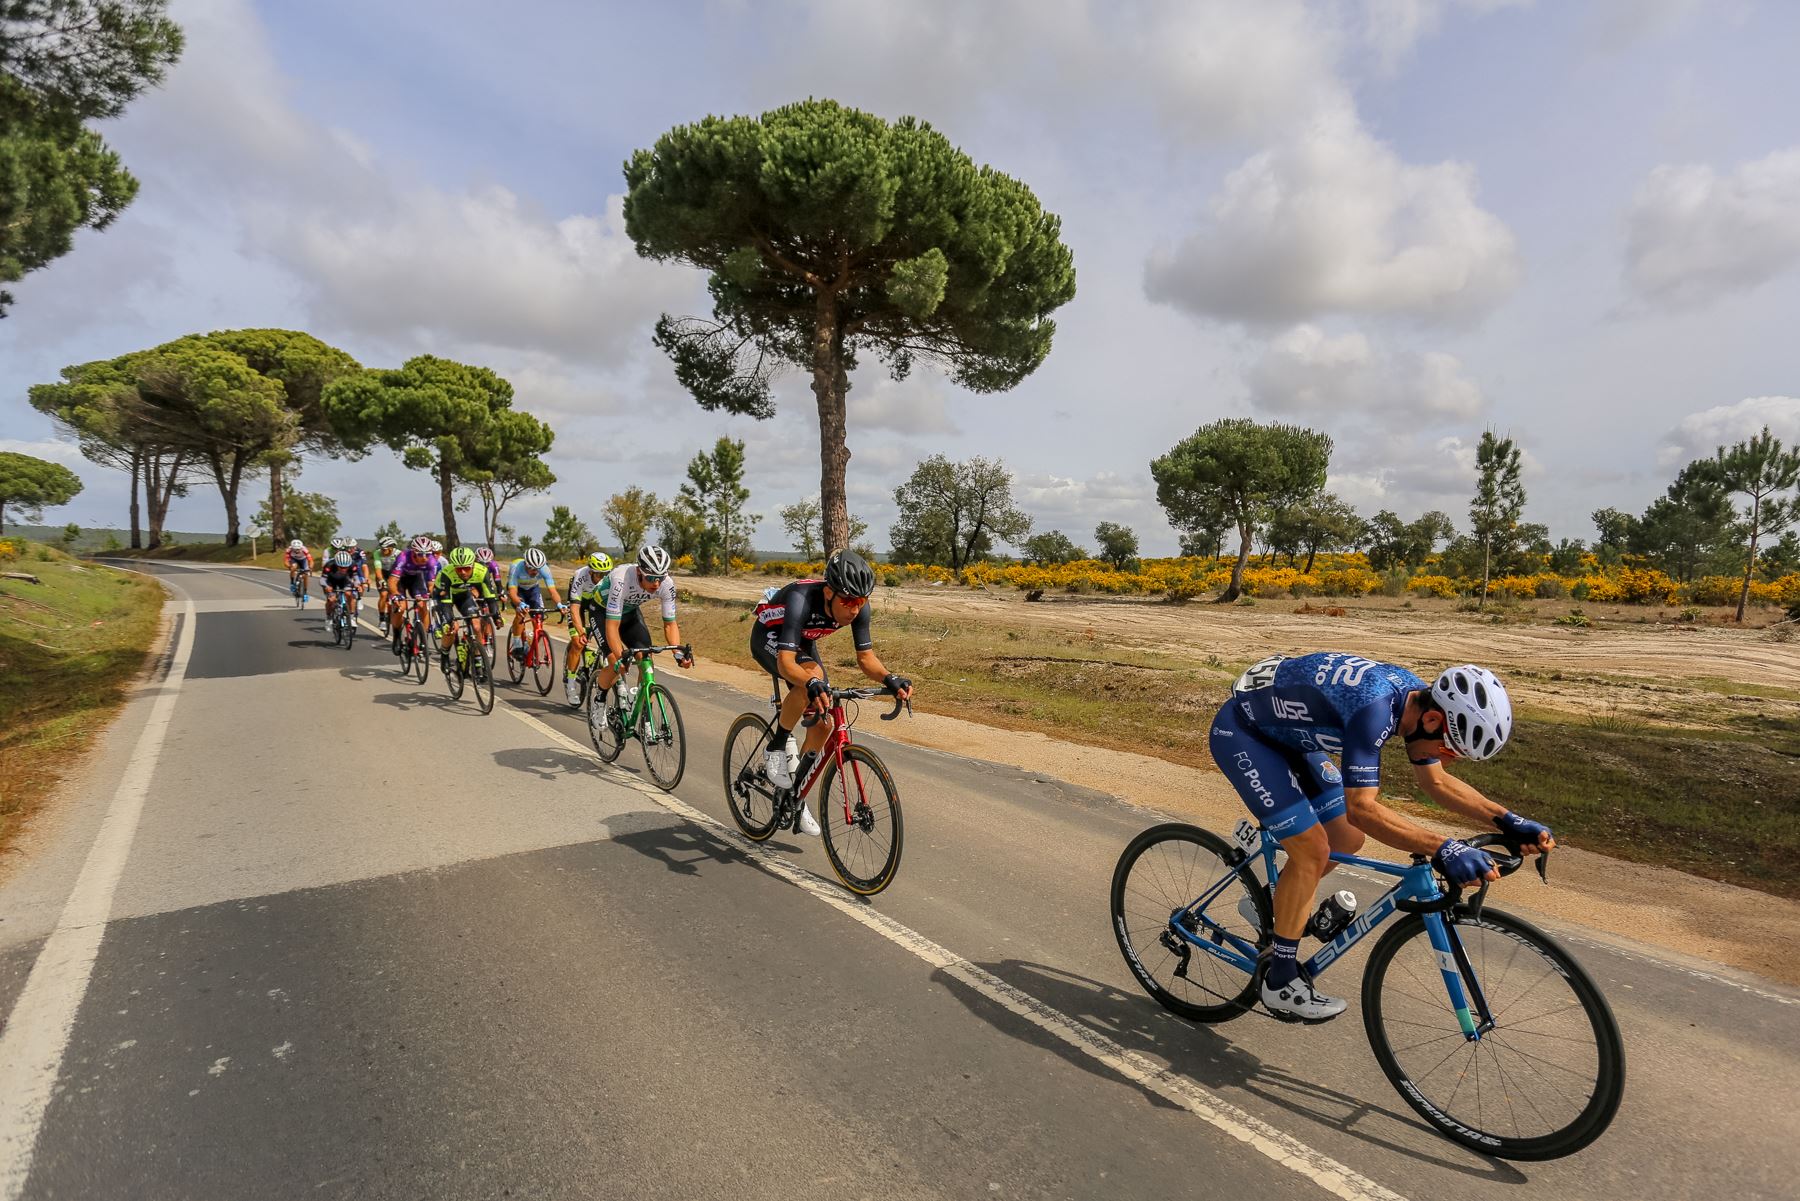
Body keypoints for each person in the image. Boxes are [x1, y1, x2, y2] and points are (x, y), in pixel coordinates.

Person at [1210, 653, 1553, 1023]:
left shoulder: (1414, 705)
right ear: (1433, 719)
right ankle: (1279, 984)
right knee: (1312, 849)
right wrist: (1441, 846)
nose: (1447, 762)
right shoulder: (1374, 709)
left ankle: (1274, 907)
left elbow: (1434, 783)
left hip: (1291, 736)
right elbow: (1363, 807)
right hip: (1245, 733)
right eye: (1450, 751)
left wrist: (1507, 820)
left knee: (1347, 837)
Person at [751, 549, 911, 837]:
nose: (854, 609)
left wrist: (890, 679)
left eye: (860, 601)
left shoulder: (859, 607)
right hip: (770, 636)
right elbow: (786, 663)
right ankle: (776, 745)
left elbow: (866, 659)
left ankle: (795, 792)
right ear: (828, 593)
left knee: (825, 722)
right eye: (848, 601)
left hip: (803, 640)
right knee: (810, 682)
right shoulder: (801, 598)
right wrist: (810, 683)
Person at [587, 545, 693, 710]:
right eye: (651, 578)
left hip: (629, 612)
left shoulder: (667, 585)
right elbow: (612, 626)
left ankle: (644, 713)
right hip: (602, 612)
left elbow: (670, 623)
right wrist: (620, 656)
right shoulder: (621, 579)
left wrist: (678, 653)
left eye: (661, 578)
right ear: (639, 572)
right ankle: (599, 702)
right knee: (616, 663)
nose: (656, 584)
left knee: (646, 659)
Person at [563, 551, 615, 704]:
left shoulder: (610, 579)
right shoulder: (581, 575)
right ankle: (571, 684)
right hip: (579, 604)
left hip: (597, 605)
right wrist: (580, 631)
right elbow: (574, 608)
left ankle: (591, 663)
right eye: (599, 574)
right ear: (591, 571)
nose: (602, 578)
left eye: (606, 573)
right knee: (578, 642)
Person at [428, 546, 498, 659]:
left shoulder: (482, 571)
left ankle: (478, 658)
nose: (463, 572)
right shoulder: (446, 573)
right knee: (451, 628)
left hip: (463, 594)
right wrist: (450, 620)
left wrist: (496, 616)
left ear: (473, 565)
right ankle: (445, 654)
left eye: (466, 568)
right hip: (444, 596)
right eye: (459, 569)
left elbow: (490, 597)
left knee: (476, 625)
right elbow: (446, 603)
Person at [505, 547, 566, 662]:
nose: (535, 572)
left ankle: (531, 644)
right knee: (520, 613)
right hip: (518, 590)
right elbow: (512, 593)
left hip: (533, 590)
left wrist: (559, 604)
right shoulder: (516, 568)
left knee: (539, 618)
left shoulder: (544, 569)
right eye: (532, 569)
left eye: (538, 569)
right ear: (526, 564)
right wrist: (520, 603)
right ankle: (517, 644)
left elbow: (552, 591)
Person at [386, 536, 440, 652]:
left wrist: (432, 595)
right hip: (400, 579)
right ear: (414, 552)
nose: (424, 558)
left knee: (423, 606)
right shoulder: (403, 557)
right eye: (420, 554)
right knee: (401, 607)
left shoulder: (432, 561)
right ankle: (396, 637)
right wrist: (395, 594)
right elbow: (392, 581)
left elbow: (431, 584)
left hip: (416, 580)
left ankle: (423, 639)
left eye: (428, 554)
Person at [318, 550, 362, 626]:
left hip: (345, 580)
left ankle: (351, 617)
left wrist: (357, 585)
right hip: (331, 582)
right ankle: (329, 618)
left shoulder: (352, 564)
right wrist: (326, 586)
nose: (344, 569)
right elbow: (322, 580)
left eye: (346, 567)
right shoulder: (329, 565)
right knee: (331, 600)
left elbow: (356, 578)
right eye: (341, 567)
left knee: (350, 595)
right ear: (336, 564)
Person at [371, 536, 400, 621]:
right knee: (383, 594)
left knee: (395, 594)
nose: (382, 551)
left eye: (384, 549)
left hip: (393, 575)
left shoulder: (398, 554)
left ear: (391, 548)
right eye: (381, 549)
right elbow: (378, 569)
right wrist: (381, 580)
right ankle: (382, 618)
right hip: (382, 574)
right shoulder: (377, 553)